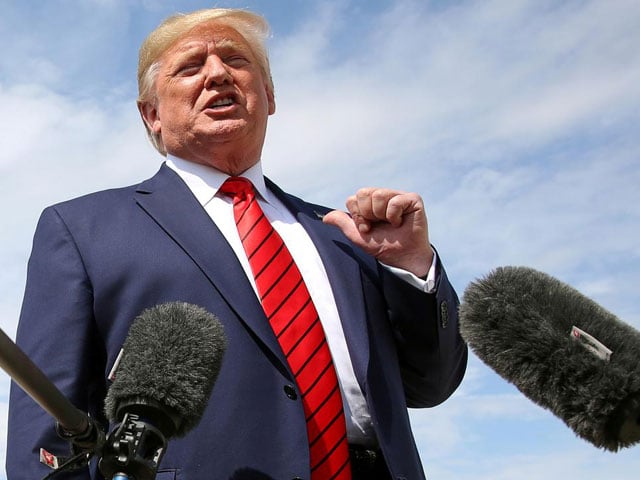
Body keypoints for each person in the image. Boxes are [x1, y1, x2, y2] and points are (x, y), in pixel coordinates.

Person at [7, 7, 467, 480]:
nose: (217, 73)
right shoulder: (83, 229)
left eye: (236, 59)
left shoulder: (342, 234)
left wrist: (411, 266)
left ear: (268, 95)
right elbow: (46, 419)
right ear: (152, 115)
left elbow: (429, 386)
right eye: (190, 67)